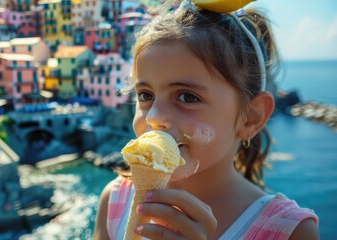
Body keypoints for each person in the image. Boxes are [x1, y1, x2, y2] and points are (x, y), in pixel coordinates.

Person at [93, 0, 319, 239]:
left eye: (187, 96)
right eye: (146, 95)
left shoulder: (291, 231)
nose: (155, 117)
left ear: (251, 118)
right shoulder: (114, 200)